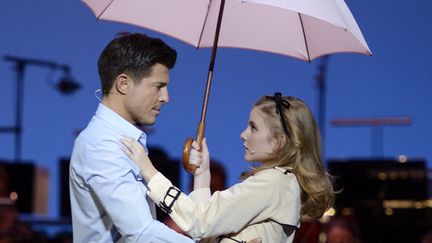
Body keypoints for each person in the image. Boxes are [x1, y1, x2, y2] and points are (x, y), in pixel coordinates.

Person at [121, 93, 335, 243]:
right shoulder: (282, 183)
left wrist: (149, 172)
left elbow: (199, 222)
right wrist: (203, 176)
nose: (243, 134)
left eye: (253, 127)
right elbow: (206, 228)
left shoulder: (274, 183)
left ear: (279, 141)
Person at [69, 32, 194, 242]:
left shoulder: (121, 139)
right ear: (123, 84)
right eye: (158, 86)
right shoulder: (102, 145)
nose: (166, 98)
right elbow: (141, 232)